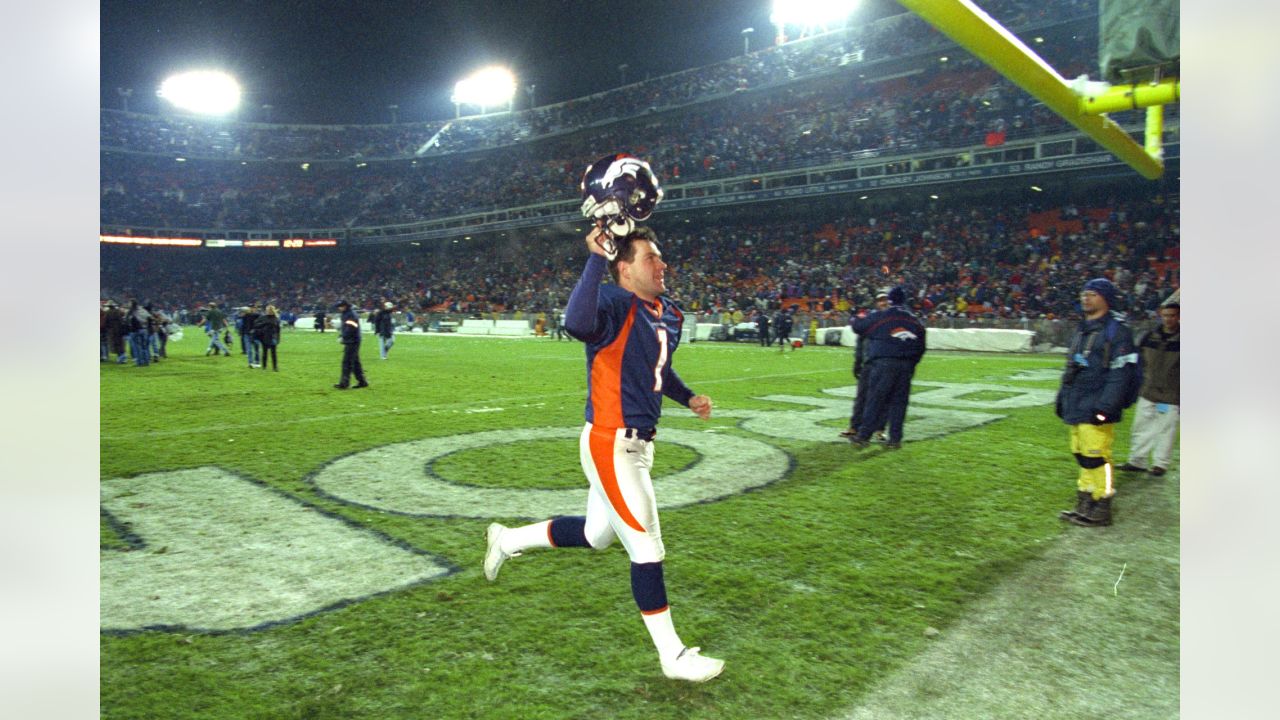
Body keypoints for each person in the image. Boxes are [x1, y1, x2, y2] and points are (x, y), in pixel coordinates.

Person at [483, 225, 724, 683]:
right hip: (611, 441)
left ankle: (507, 539)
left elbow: (658, 371)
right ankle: (671, 656)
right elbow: (576, 323)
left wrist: (688, 397)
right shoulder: (613, 301)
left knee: (597, 536)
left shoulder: (668, 313)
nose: (662, 264)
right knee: (647, 547)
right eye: (651, 258)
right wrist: (594, 257)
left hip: (638, 443)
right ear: (624, 268)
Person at [1055, 278, 1140, 527]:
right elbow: (1072, 367)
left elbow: (1120, 373)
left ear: (1106, 298)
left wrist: (1106, 406)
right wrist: (1062, 398)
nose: (1085, 298)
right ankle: (1085, 501)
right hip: (1077, 403)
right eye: (1084, 294)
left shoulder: (1117, 331)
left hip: (1096, 404)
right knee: (1082, 455)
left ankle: (1102, 504)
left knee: (1097, 455)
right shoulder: (1083, 328)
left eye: (1092, 294)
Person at [849, 287, 926, 449]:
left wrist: (856, 316)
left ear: (890, 300)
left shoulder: (881, 316)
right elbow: (921, 347)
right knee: (899, 403)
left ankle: (864, 436)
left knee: (875, 400)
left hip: (883, 364)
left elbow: (858, 327)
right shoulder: (915, 321)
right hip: (905, 366)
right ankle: (895, 439)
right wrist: (911, 363)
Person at [1119, 301, 1179, 477]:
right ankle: (1137, 460)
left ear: (1179, 317)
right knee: (1141, 426)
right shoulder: (1149, 336)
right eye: (1166, 315)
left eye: (1172, 315)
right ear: (1161, 315)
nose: (1168, 319)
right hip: (1148, 391)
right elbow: (1139, 361)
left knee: (1166, 429)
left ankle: (1160, 464)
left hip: (1171, 394)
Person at [841, 290, 891, 440]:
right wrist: (857, 361)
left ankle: (880, 429)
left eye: (886, 300)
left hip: (885, 364)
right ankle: (854, 427)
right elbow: (860, 341)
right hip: (868, 364)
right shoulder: (870, 319)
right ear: (876, 303)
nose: (883, 302)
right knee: (861, 397)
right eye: (881, 300)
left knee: (883, 398)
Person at [333, 300, 369, 389]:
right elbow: (346, 327)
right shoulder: (347, 314)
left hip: (352, 341)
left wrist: (343, 336)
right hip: (352, 340)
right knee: (355, 362)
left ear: (344, 306)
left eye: (340, 306)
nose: (339, 308)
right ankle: (362, 381)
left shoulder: (350, 315)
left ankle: (344, 383)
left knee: (347, 362)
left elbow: (351, 328)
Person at [254, 305, 282, 371]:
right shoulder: (263, 318)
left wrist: (278, 338)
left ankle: (275, 367)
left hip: (273, 337)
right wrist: (264, 324)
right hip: (264, 337)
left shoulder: (276, 318)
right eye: (268, 310)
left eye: (270, 310)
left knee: (273, 353)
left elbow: (278, 329)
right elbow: (256, 325)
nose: (269, 312)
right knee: (265, 352)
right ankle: (264, 367)